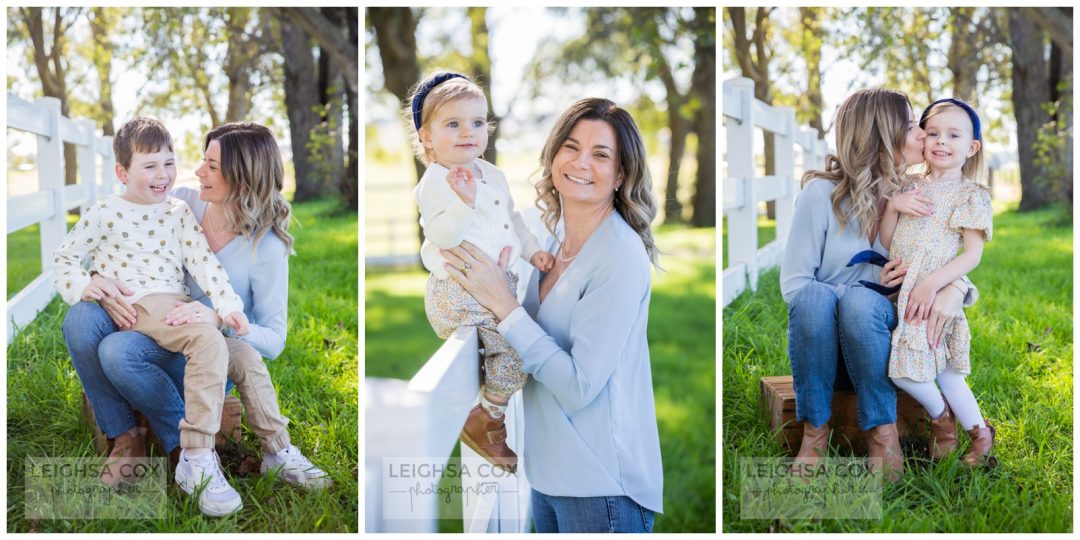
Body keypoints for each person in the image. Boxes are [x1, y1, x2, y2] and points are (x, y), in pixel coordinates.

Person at [60, 121, 328, 518]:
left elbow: (271, 337)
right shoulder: (184, 199)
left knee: (246, 359)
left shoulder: (265, 248)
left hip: (203, 335)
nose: (193, 172)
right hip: (164, 320)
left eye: (211, 166)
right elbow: (105, 242)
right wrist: (95, 278)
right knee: (95, 333)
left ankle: (276, 449)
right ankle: (178, 450)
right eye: (201, 161)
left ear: (242, 177)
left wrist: (221, 314)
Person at [441, 98, 662, 533]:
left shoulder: (618, 255)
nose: (581, 162)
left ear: (620, 175)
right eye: (571, 146)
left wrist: (505, 306)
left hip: (603, 487)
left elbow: (579, 386)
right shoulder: (549, 237)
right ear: (554, 153)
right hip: (547, 476)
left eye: (601, 155)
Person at [779, 89, 979, 482]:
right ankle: (814, 436)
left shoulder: (915, 193)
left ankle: (882, 435)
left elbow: (947, 255)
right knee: (820, 296)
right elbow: (795, 289)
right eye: (910, 126)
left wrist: (957, 289)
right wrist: (869, 282)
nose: (923, 133)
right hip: (824, 355)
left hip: (889, 357)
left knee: (860, 304)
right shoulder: (820, 196)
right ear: (881, 135)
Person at [406, 70, 554, 473]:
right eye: (452, 124)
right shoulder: (436, 180)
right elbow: (441, 234)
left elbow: (513, 220)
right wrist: (463, 202)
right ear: (427, 137)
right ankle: (486, 419)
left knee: (514, 344)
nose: (467, 132)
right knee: (516, 352)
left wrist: (533, 251)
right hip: (457, 289)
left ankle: (487, 415)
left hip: (490, 282)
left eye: (476, 122)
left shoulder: (493, 174)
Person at [878, 98, 996, 467]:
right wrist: (894, 206)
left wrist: (932, 284)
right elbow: (886, 241)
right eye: (933, 134)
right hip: (903, 291)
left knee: (947, 374)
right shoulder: (908, 184)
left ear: (971, 147)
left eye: (953, 135)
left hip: (931, 295)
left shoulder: (970, 195)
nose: (941, 142)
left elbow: (971, 255)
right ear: (922, 140)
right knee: (904, 371)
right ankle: (941, 417)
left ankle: (979, 435)